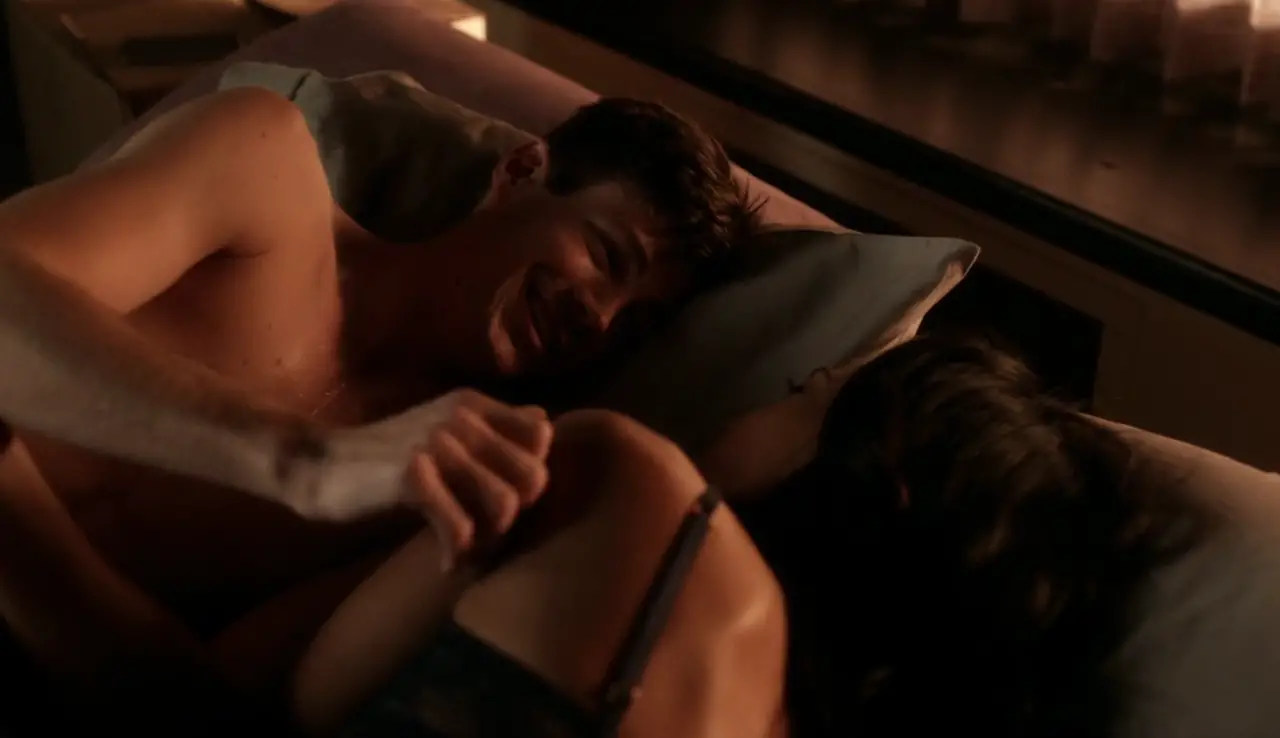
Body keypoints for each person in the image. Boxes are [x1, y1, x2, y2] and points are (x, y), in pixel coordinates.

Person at [0, 85, 761, 734]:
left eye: (633, 325)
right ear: (523, 170)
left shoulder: (443, 485)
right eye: (607, 257)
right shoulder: (263, 176)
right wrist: (301, 461)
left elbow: (197, 702)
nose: (598, 317)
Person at [257, 334, 1222, 738]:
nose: (763, 398)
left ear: (875, 467)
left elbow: (298, 690)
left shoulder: (626, 485)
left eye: (805, 391)